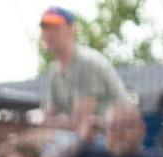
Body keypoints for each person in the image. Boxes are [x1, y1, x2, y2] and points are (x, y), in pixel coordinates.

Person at [38, 6, 132, 143]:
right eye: (45, 28)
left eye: (55, 27)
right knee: (20, 141)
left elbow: (80, 122)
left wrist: (54, 123)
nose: (48, 33)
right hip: (85, 139)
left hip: (112, 139)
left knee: (33, 141)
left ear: (72, 29)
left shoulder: (86, 62)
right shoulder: (54, 72)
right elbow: (47, 118)